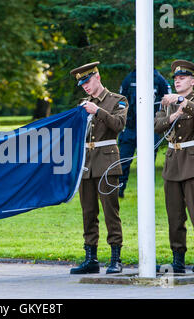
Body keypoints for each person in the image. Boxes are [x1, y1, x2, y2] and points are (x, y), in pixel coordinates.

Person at [154, 59, 194, 274]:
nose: (177, 81)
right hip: (173, 161)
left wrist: (182, 101)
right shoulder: (167, 103)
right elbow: (157, 125)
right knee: (175, 214)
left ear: (193, 81)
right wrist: (174, 112)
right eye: (175, 79)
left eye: (182, 78)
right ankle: (178, 260)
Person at [69, 61, 128, 275]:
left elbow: (119, 125)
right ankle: (90, 258)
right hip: (87, 164)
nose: (84, 86)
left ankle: (116, 258)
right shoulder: (83, 103)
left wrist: (98, 110)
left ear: (98, 78)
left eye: (87, 81)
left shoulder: (117, 100)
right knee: (88, 212)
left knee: (111, 212)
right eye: (82, 84)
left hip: (107, 163)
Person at [117, 68, 172, 198]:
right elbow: (120, 101)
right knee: (123, 161)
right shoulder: (129, 79)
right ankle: (118, 191)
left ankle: (146, 194)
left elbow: (168, 102)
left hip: (150, 129)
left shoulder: (159, 80)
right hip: (130, 128)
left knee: (147, 163)